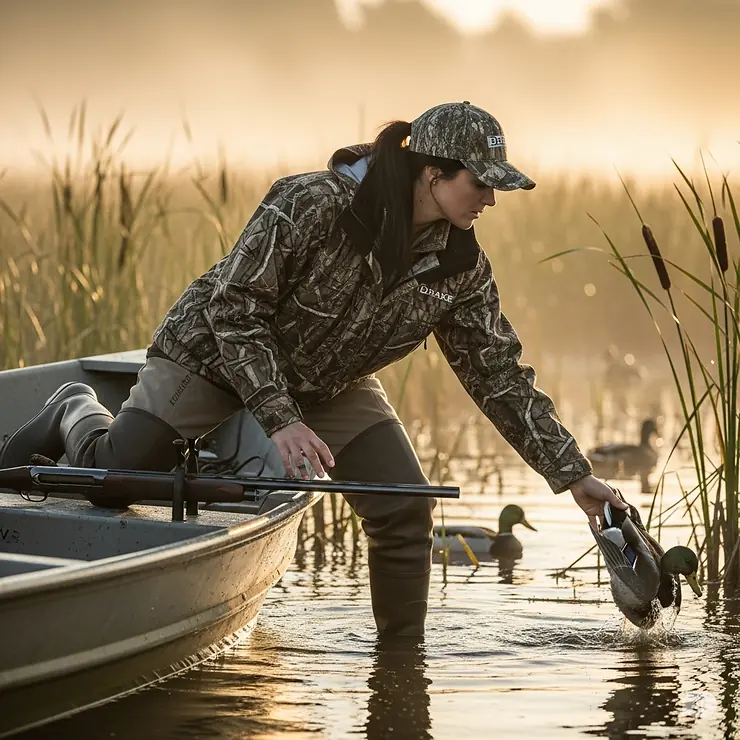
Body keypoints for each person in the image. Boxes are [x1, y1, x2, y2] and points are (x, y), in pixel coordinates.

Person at [0, 101, 627, 637]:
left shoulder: (461, 268)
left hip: (328, 382)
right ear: (433, 174)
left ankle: (400, 674)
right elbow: (235, 308)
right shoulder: (310, 203)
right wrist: (278, 420)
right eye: (480, 183)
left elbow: (500, 377)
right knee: (120, 479)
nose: (491, 198)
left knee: (404, 510)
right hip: (214, 353)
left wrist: (573, 476)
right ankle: (74, 409)